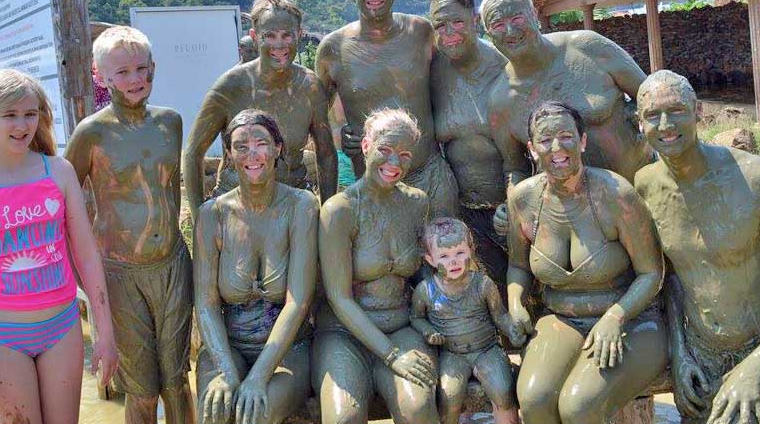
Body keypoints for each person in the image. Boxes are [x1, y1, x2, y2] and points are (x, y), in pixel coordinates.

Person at [634, 71, 760, 424]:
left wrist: (755, 368)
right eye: (652, 115)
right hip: (702, 350)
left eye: (676, 110)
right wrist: (680, 354)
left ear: (698, 112)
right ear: (639, 122)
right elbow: (670, 279)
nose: (665, 125)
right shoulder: (645, 186)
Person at [0, 69, 117, 424]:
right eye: (10, 115)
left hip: (62, 329)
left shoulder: (59, 172)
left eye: (30, 114)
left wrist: (105, 335)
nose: (22, 125)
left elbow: (87, 257)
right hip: (2, 338)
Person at [507, 101, 667, 424]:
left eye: (566, 136)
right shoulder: (522, 199)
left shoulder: (616, 194)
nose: (557, 148)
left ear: (582, 141)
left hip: (633, 321)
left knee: (579, 406)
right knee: (535, 400)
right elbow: (518, 267)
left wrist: (616, 316)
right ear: (532, 149)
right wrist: (514, 302)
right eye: (545, 140)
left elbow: (653, 273)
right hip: (562, 318)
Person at [65, 26, 194, 423]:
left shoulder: (171, 122)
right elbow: (63, 205)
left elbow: (174, 192)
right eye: (122, 72)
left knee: (177, 380)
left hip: (171, 264)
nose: (135, 78)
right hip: (120, 273)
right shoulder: (92, 133)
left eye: (142, 68)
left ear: (153, 67)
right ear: (100, 76)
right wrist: (84, 279)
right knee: (141, 388)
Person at [483, 0, 651, 234]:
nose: (510, 30)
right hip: (578, 224)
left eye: (517, 18)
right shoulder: (500, 100)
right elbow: (515, 168)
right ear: (488, 34)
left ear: (534, 14)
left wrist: (637, 116)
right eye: (498, 25)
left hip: (642, 195)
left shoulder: (587, 47)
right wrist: (513, 204)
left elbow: (653, 98)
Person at [314, 107, 439, 424]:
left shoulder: (417, 202)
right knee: (344, 418)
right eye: (385, 149)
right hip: (343, 333)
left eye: (405, 154)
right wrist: (391, 356)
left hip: (400, 326)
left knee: (418, 409)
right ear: (366, 146)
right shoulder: (339, 211)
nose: (394, 163)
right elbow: (339, 297)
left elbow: (424, 272)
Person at [194, 109, 319, 424]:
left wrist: (258, 377)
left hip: (288, 350)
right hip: (228, 347)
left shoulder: (301, 206)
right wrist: (225, 371)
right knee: (214, 411)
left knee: (255, 415)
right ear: (229, 154)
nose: (252, 154)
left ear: (277, 149)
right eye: (241, 146)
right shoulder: (212, 214)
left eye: (261, 144)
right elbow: (206, 304)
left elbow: (298, 302)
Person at [315, 0, 458, 217]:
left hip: (429, 175)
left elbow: (456, 79)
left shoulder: (421, 32)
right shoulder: (333, 48)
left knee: (447, 243)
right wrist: (341, 135)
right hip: (371, 187)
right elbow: (318, 120)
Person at [184, 0, 336, 213]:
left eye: (287, 35)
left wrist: (326, 215)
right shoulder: (230, 87)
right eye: (270, 36)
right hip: (236, 208)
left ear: (299, 34)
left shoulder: (310, 87)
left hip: (292, 206)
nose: (279, 45)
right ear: (255, 37)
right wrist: (200, 218)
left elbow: (326, 154)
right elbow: (193, 152)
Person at [429, 0, 509, 292]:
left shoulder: (504, 66)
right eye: (440, 25)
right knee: (487, 295)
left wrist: (517, 201)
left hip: (511, 206)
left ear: (475, 20)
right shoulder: (433, 70)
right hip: (462, 214)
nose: (449, 32)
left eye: (457, 22)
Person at [410, 217, 524, 424]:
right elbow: (416, 318)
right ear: (430, 259)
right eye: (444, 256)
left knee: (503, 391)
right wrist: (428, 331)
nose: (453, 261)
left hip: (486, 349)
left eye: (460, 253)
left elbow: (499, 315)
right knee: (448, 396)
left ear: (471, 250)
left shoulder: (483, 284)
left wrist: (511, 329)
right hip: (452, 353)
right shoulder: (425, 290)